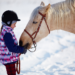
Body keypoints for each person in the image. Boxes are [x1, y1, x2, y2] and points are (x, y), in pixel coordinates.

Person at [0, 10, 27, 75]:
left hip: (9, 59)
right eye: (14, 24)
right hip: (9, 60)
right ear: (9, 22)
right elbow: (12, 48)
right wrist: (22, 49)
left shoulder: (7, 30)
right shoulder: (7, 34)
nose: (15, 26)